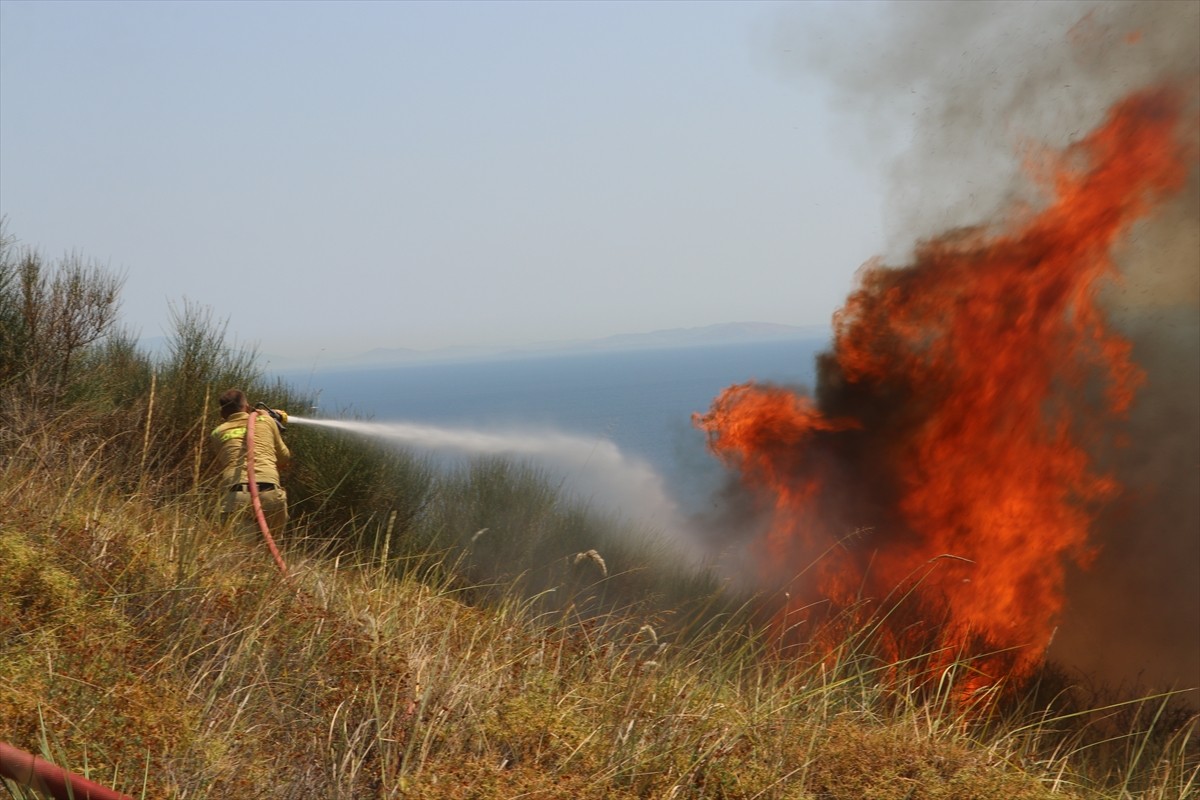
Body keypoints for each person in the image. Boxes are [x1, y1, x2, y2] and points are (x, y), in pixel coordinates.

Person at [211, 388, 291, 535]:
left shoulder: (217, 432)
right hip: (269, 494)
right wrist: (269, 422)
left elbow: (222, 461)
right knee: (269, 544)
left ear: (222, 413)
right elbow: (284, 457)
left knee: (240, 548)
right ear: (247, 407)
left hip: (235, 497)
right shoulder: (266, 421)